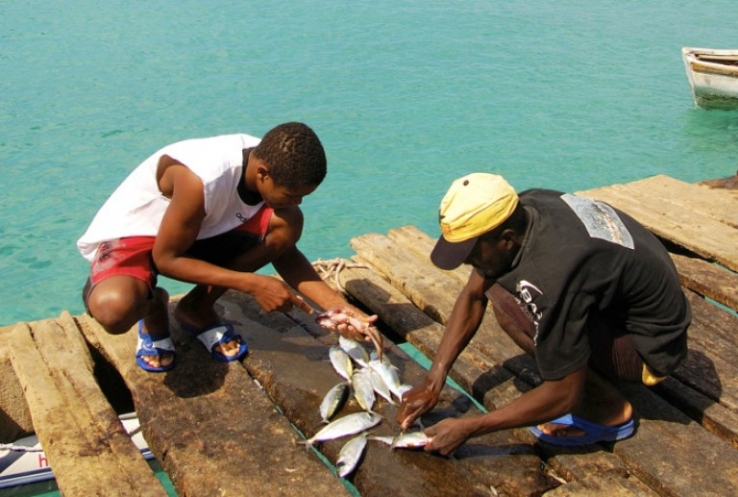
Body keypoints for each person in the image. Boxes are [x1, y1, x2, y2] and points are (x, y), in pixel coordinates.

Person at [397, 173, 690, 453]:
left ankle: (609, 410)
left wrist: (471, 427)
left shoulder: (554, 273)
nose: (465, 263)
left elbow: (564, 393)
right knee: (497, 286)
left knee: (516, 306)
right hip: (628, 309)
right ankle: (594, 372)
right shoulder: (526, 206)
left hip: (650, 350)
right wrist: (433, 380)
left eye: (471, 253)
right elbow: (474, 294)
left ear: (507, 239)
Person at [78, 122, 376, 372]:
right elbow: (166, 259)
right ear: (262, 174)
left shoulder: (278, 162)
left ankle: (196, 308)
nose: (297, 202)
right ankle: (152, 304)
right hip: (139, 236)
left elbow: (285, 253)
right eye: (291, 194)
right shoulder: (202, 179)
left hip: (199, 230)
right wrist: (253, 284)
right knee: (114, 310)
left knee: (288, 223)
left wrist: (342, 309)